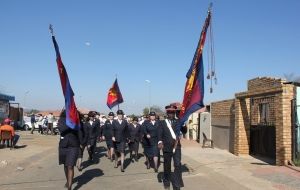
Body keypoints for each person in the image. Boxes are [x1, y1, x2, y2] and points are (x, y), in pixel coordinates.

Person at [158, 105, 187, 190]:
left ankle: (177, 183)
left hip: (177, 146)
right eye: (169, 112)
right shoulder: (162, 123)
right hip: (166, 147)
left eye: (173, 112)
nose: (171, 114)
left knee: (177, 165)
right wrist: (160, 142)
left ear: (174, 113)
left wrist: (184, 123)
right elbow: (160, 133)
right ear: (167, 113)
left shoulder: (179, 121)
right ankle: (166, 182)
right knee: (167, 166)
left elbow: (184, 131)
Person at [57, 110, 80, 190]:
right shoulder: (61, 119)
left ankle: (69, 187)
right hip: (63, 146)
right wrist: (71, 122)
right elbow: (61, 129)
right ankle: (68, 180)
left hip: (74, 146)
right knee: (65, 166)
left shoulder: (77, 120)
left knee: (70, 166)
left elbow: (80, 131)